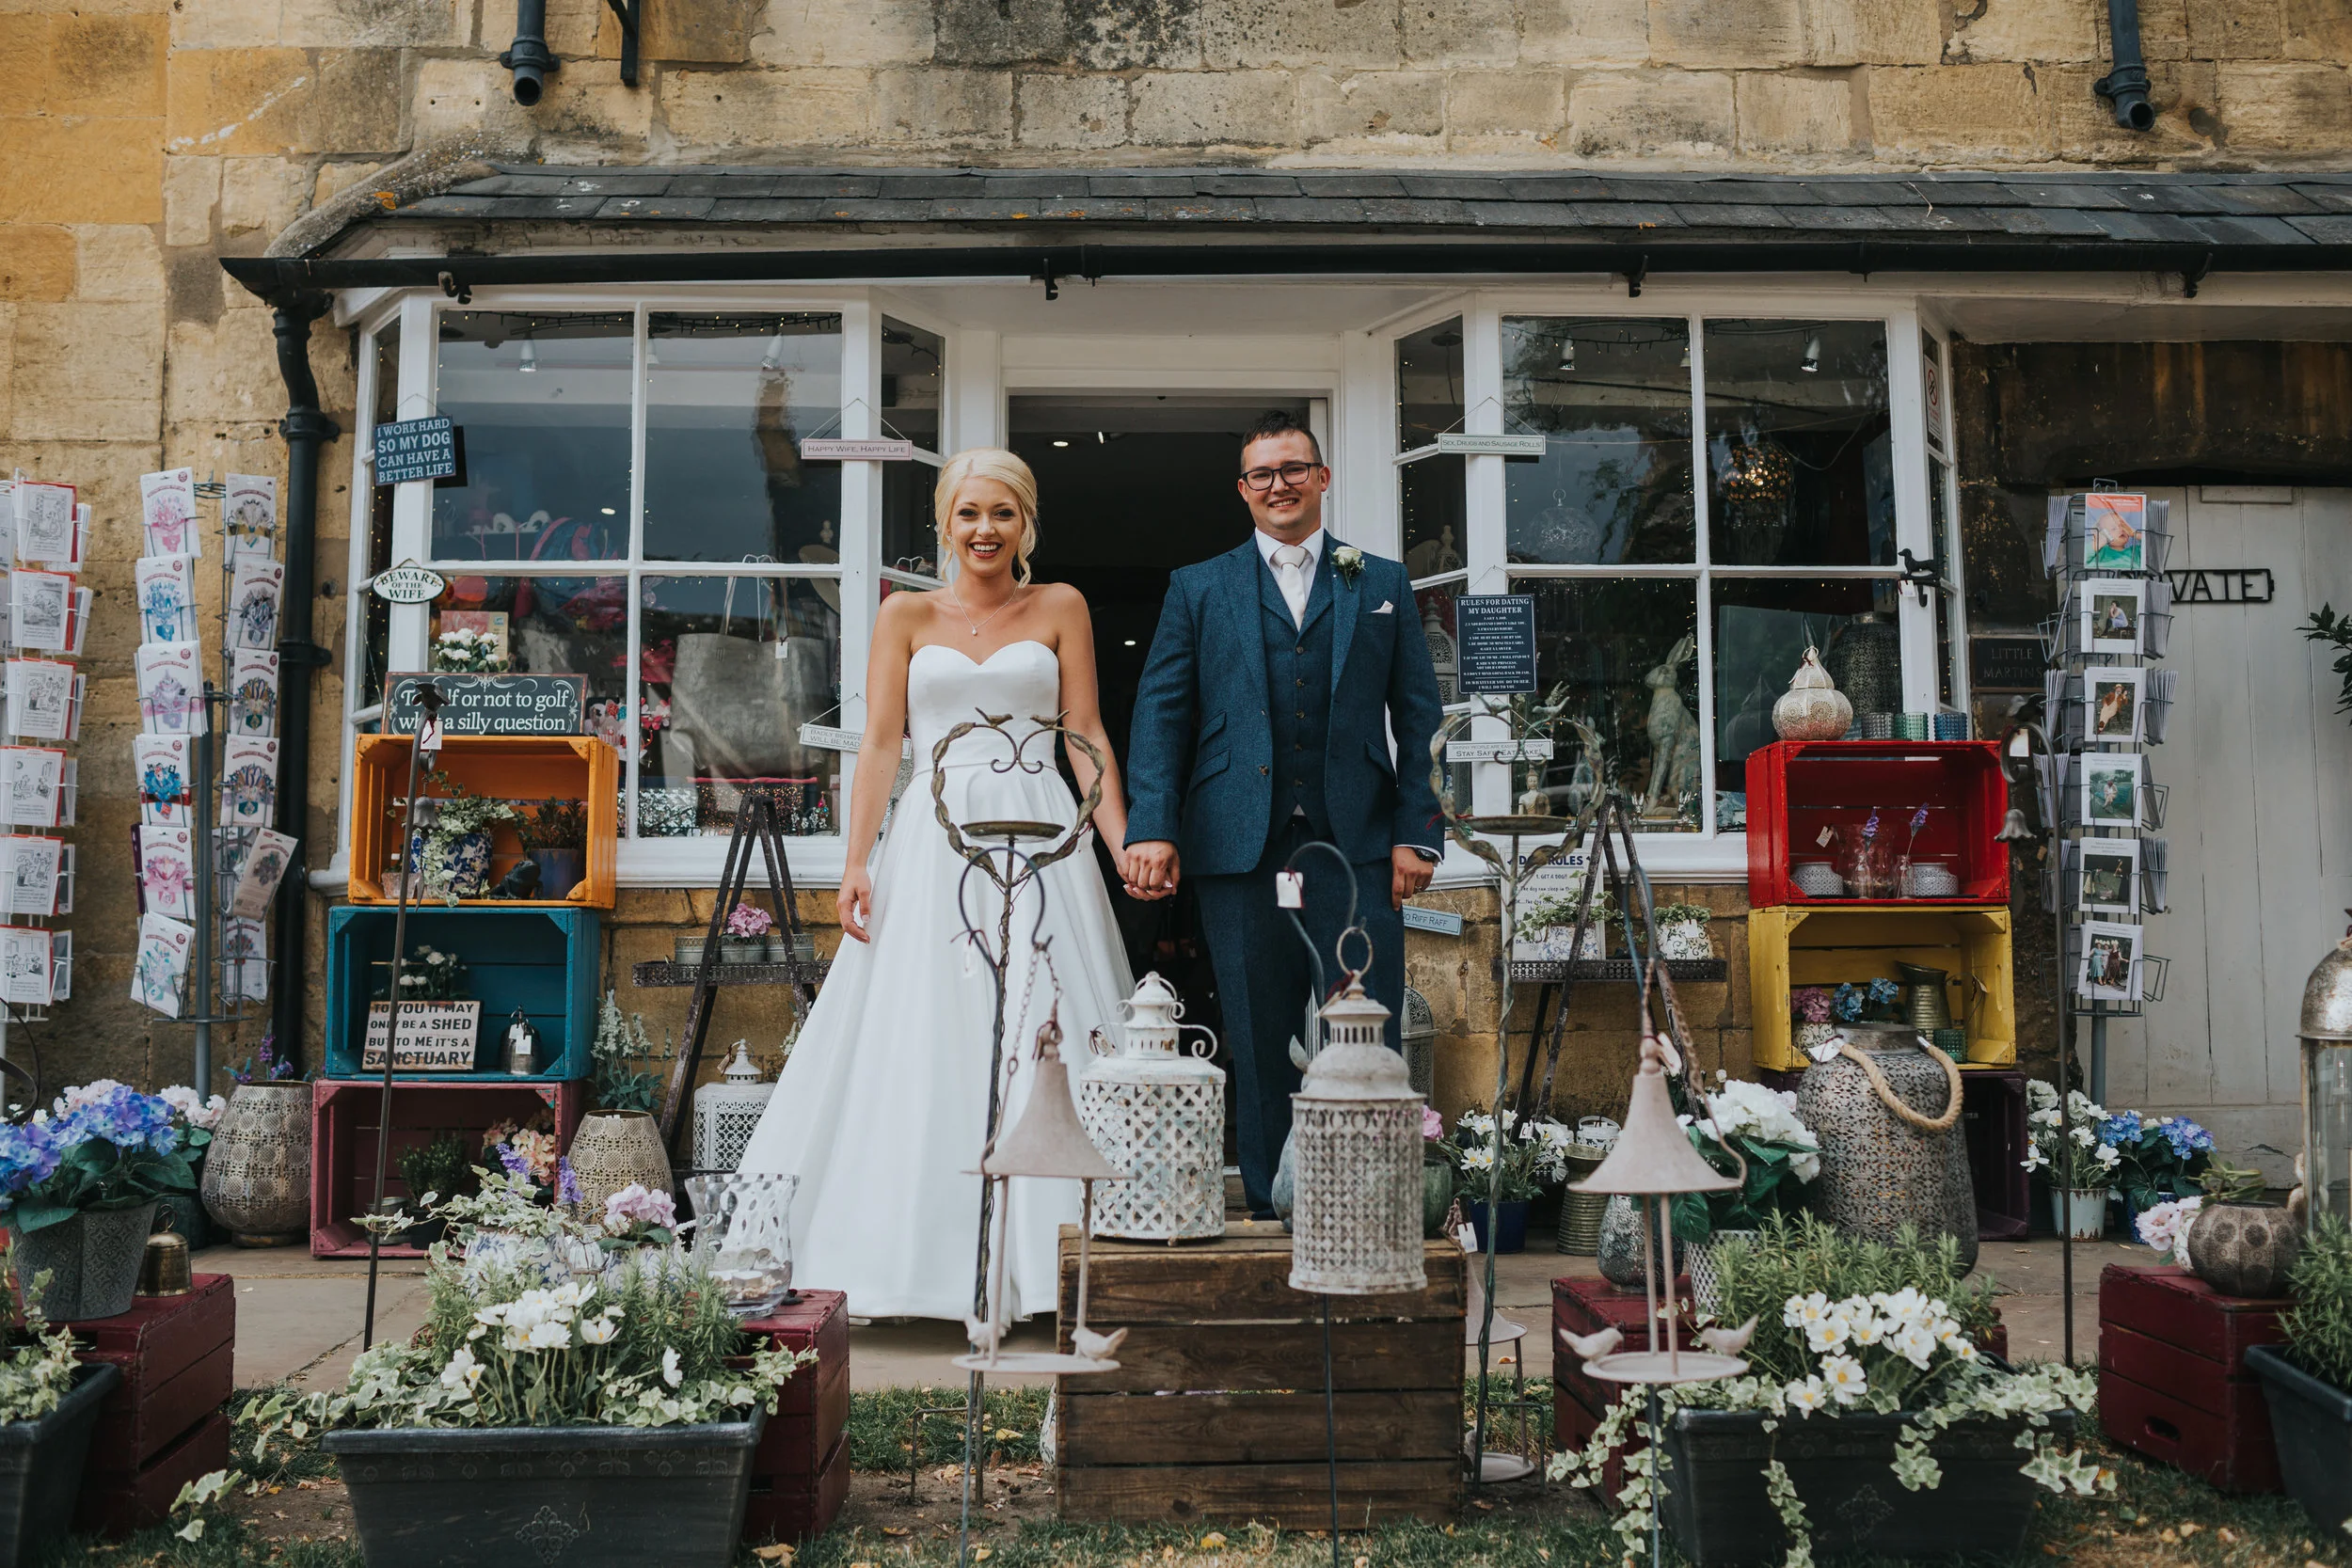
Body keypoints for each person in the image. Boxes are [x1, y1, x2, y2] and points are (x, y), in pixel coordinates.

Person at [733, 449, 1139, 1323]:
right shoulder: (905, 614)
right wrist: (857, 861)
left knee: (1046, 1018)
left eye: (1002, 512)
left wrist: (1121, 840)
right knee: (924, 1029)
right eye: (968, 513)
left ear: (1026, 523)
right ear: (945, 524)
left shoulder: (1061, 606)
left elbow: (1085, 734)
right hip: (935, 838)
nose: (984, 529)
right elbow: (882, 742)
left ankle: (1050, 1265)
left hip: (1041, 834)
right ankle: (917, 1258)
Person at [1123, 411, 1446, 1217]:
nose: (1279, 484)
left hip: (1361, 843)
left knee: (1366, 1032)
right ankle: (1274, 1210)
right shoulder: (1197, 587)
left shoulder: (1380, 582)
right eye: (1262, 474)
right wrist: (1152, 823)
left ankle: (1369, 1208)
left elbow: (1418, 716)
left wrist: (1417, 831)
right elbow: (1162, 713)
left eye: (1294, 468)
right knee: (1261, 1037)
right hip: (1240, 843)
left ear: (1323, 477)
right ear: (1243, 490)